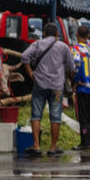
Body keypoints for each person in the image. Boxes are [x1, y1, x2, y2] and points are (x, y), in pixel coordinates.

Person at [20, 24, 72, 156]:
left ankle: (36, 145)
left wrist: (31, 73)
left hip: (40, 85)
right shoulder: (64, 47)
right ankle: (53, 147)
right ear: (57, 34)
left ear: (43, 33)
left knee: (36, 115)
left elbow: (24, 56)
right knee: (55, 117)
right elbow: (72, 67)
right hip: (57, 88)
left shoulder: (38, 44)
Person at [72, 38, 90, 149]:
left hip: (82, 87)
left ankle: (85, 142)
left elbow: (76, 61)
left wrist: (76, 79)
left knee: (83, 116)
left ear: (77, 34)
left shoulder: (76, 49)